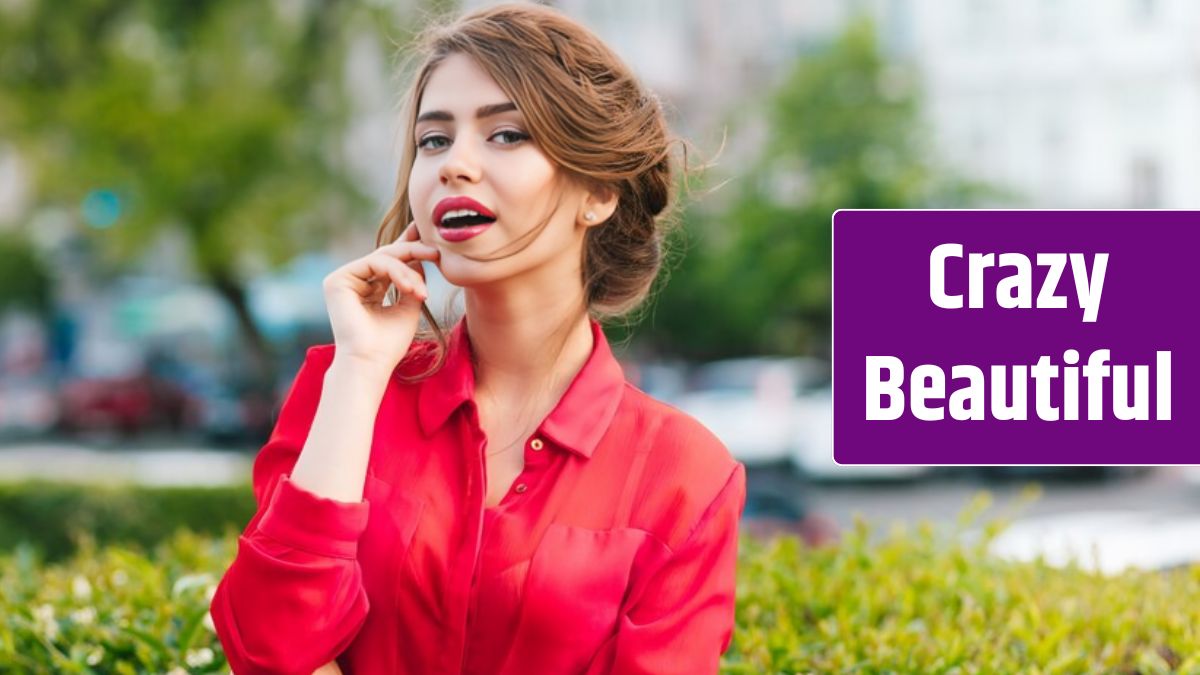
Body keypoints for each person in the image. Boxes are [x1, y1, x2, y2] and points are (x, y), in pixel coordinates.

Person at [209, 4, 746, 674]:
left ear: (597, 192)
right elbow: (267, 650)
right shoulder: (343, 389)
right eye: (434, 140)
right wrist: (361, 367)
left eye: (507, 134)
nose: (454, 165)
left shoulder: (683, 474)